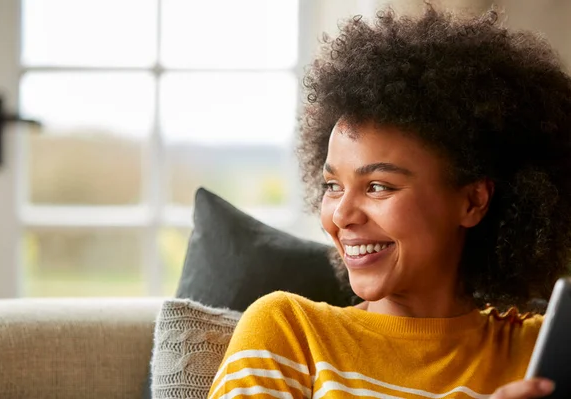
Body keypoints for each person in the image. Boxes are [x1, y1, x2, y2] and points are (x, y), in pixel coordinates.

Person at [208, 5, 571, 399]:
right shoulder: (289, 333)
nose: (341, 215)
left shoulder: (541, 352)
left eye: (378, 186)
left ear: (472, 201)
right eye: (333, 185)